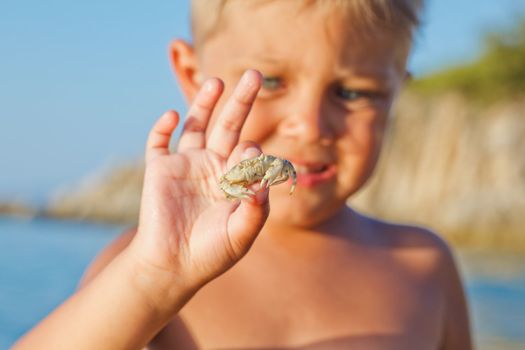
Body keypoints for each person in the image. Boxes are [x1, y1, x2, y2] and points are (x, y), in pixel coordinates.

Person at [14, 0, 473, 349]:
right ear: (192, 74)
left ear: (397, 92)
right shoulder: (146, 266)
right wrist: (151, 280)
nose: (309, 125)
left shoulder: (424, 265)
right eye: (271, 82)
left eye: (353, 92)